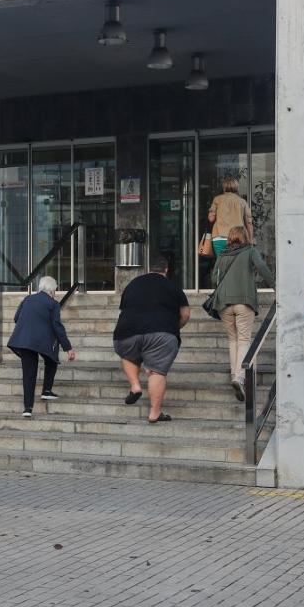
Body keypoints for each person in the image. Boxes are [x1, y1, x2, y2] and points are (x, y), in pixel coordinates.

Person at [113, 254, 190, 423]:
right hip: (161, 333)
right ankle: (155, 413)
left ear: (148, 269)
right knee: (157, 371)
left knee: (128, 355)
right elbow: (185, 314)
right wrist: (174, 327)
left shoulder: (132, 284)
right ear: (166, 270)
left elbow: (123, 309)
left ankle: (135, 386)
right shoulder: (172, 287)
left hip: (126, 332)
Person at [210, 225, 274, 401]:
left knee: (233, 340)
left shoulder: (223, 254)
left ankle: (234, 375)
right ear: (245, 237)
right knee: (244, 339)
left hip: (224, 303)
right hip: (243, 301)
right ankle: (239, 377)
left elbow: (214, 278)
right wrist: (275, 284)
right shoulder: (250, 251)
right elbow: (261, 266)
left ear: (230, 237)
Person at [7, 275, 76, 418]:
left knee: (28, 374)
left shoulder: (27, 299)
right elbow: (57, 326)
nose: (55, 293)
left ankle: (27, 408)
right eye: (55, 290)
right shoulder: (53, 304)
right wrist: (68, 347)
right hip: (41, 341)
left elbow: (16, 318)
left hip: (24, 340)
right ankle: (46, 390)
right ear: (51, 291)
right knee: (52, 358)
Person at [207, 175, 253, 258]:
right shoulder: (242, 202)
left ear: (224, 187)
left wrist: (212, 212)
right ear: (236, 187)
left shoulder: (217, 199)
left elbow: (211, 219)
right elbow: (249, 224)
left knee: (221, 264)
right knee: (235, 265)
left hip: (219, 236)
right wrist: (250, 239)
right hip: (238, 238)